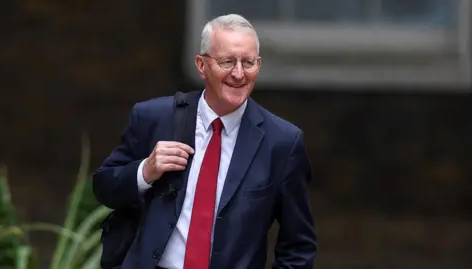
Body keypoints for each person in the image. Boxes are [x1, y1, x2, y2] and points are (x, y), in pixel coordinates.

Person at [93, 13, 317, 269]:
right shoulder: (153, 118)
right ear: (201, 65)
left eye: (248, 63)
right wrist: (145, 171)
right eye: (227, 62)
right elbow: (104, 188)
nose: (239, 73)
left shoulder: (282, 142)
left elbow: (298, 247)